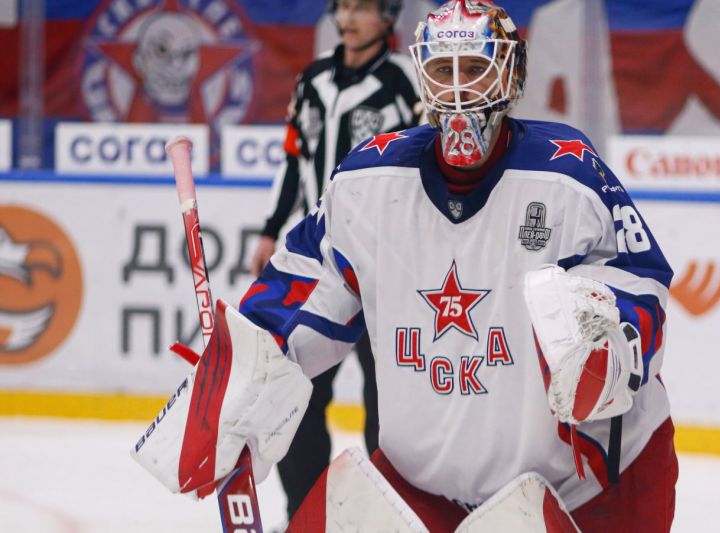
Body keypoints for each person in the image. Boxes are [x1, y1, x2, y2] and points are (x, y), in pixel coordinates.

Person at [134, 1, 676, 531]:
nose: (459, 89)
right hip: (422, 485)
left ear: (510, 75)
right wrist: (234, 380)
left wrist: (611, 340)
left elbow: (639, 279)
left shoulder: (570, 174)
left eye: (475, 68)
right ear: (422, 76)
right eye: (443, 70)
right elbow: (297, 294)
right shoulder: (367, 184)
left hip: (587, 488)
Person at [248, 0, 421, 521]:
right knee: (296, 393)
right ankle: (305, 514)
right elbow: (295, 158)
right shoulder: (314, 78)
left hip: (387, 261)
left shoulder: (406, 81)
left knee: (387, 401)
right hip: (320, 258)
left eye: (363, 8)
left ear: (388, 17)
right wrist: (271, 228)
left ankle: (383, 517)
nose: (349, 18)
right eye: (343, 6)